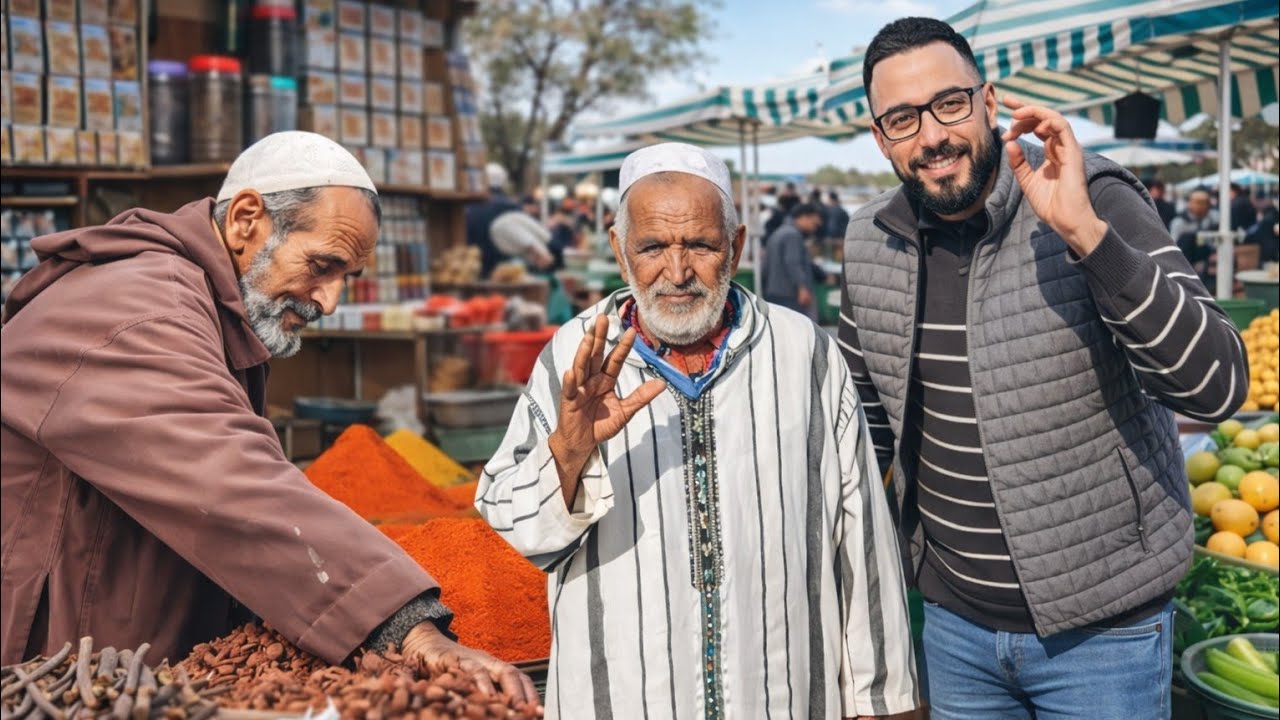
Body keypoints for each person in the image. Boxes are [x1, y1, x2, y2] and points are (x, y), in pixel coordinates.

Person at [0, 132, 538, 707]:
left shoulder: (198, 299)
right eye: (323, 265)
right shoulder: (134, 308)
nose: (329, 302)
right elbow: (231, 478)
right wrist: (405, 623)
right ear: (246, 219)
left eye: (345, 277)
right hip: (53, 658)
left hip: (112, 653)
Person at [840, 18, 1247, 720]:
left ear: (988, 102)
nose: (932, 136)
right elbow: (863, 428)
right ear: (881, 138)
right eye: (903, 119)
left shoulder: (1093, 195)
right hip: (953, 632)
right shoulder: (869, 239)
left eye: (949, 103)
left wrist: (1085, 234)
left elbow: (1215, 388)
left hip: (1104, 635)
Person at [478, 142, 919, 719]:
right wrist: (568, 451)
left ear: (735, 246)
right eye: (653, 247)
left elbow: (860, 536)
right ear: (619, 250)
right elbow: (519, 531)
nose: (678, 272)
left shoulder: (803, 351)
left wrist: (882, 698)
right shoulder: (573, 356)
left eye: (702, 246)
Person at [762, 202, 824, 319]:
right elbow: (793, 262)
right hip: (789, 293)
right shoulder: (793, 235)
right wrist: (802, 287)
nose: (816, 226)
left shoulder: (780, 232)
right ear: (804, 217)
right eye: (814, 223)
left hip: (775, 291)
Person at [465, 162, 522, 278]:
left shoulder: (470, 207)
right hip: (507, 274)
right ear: (504, 182)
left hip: (475, 271)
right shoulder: (514, 207)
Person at [1169, 189, 1219, 281]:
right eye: (1197, 203)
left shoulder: (1213, 218)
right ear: (1190, 203)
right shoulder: (1179, 222)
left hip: (1208, 260)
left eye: (1204, 203)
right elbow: (1174, 246)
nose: (1201, 206)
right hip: (1186, 261)